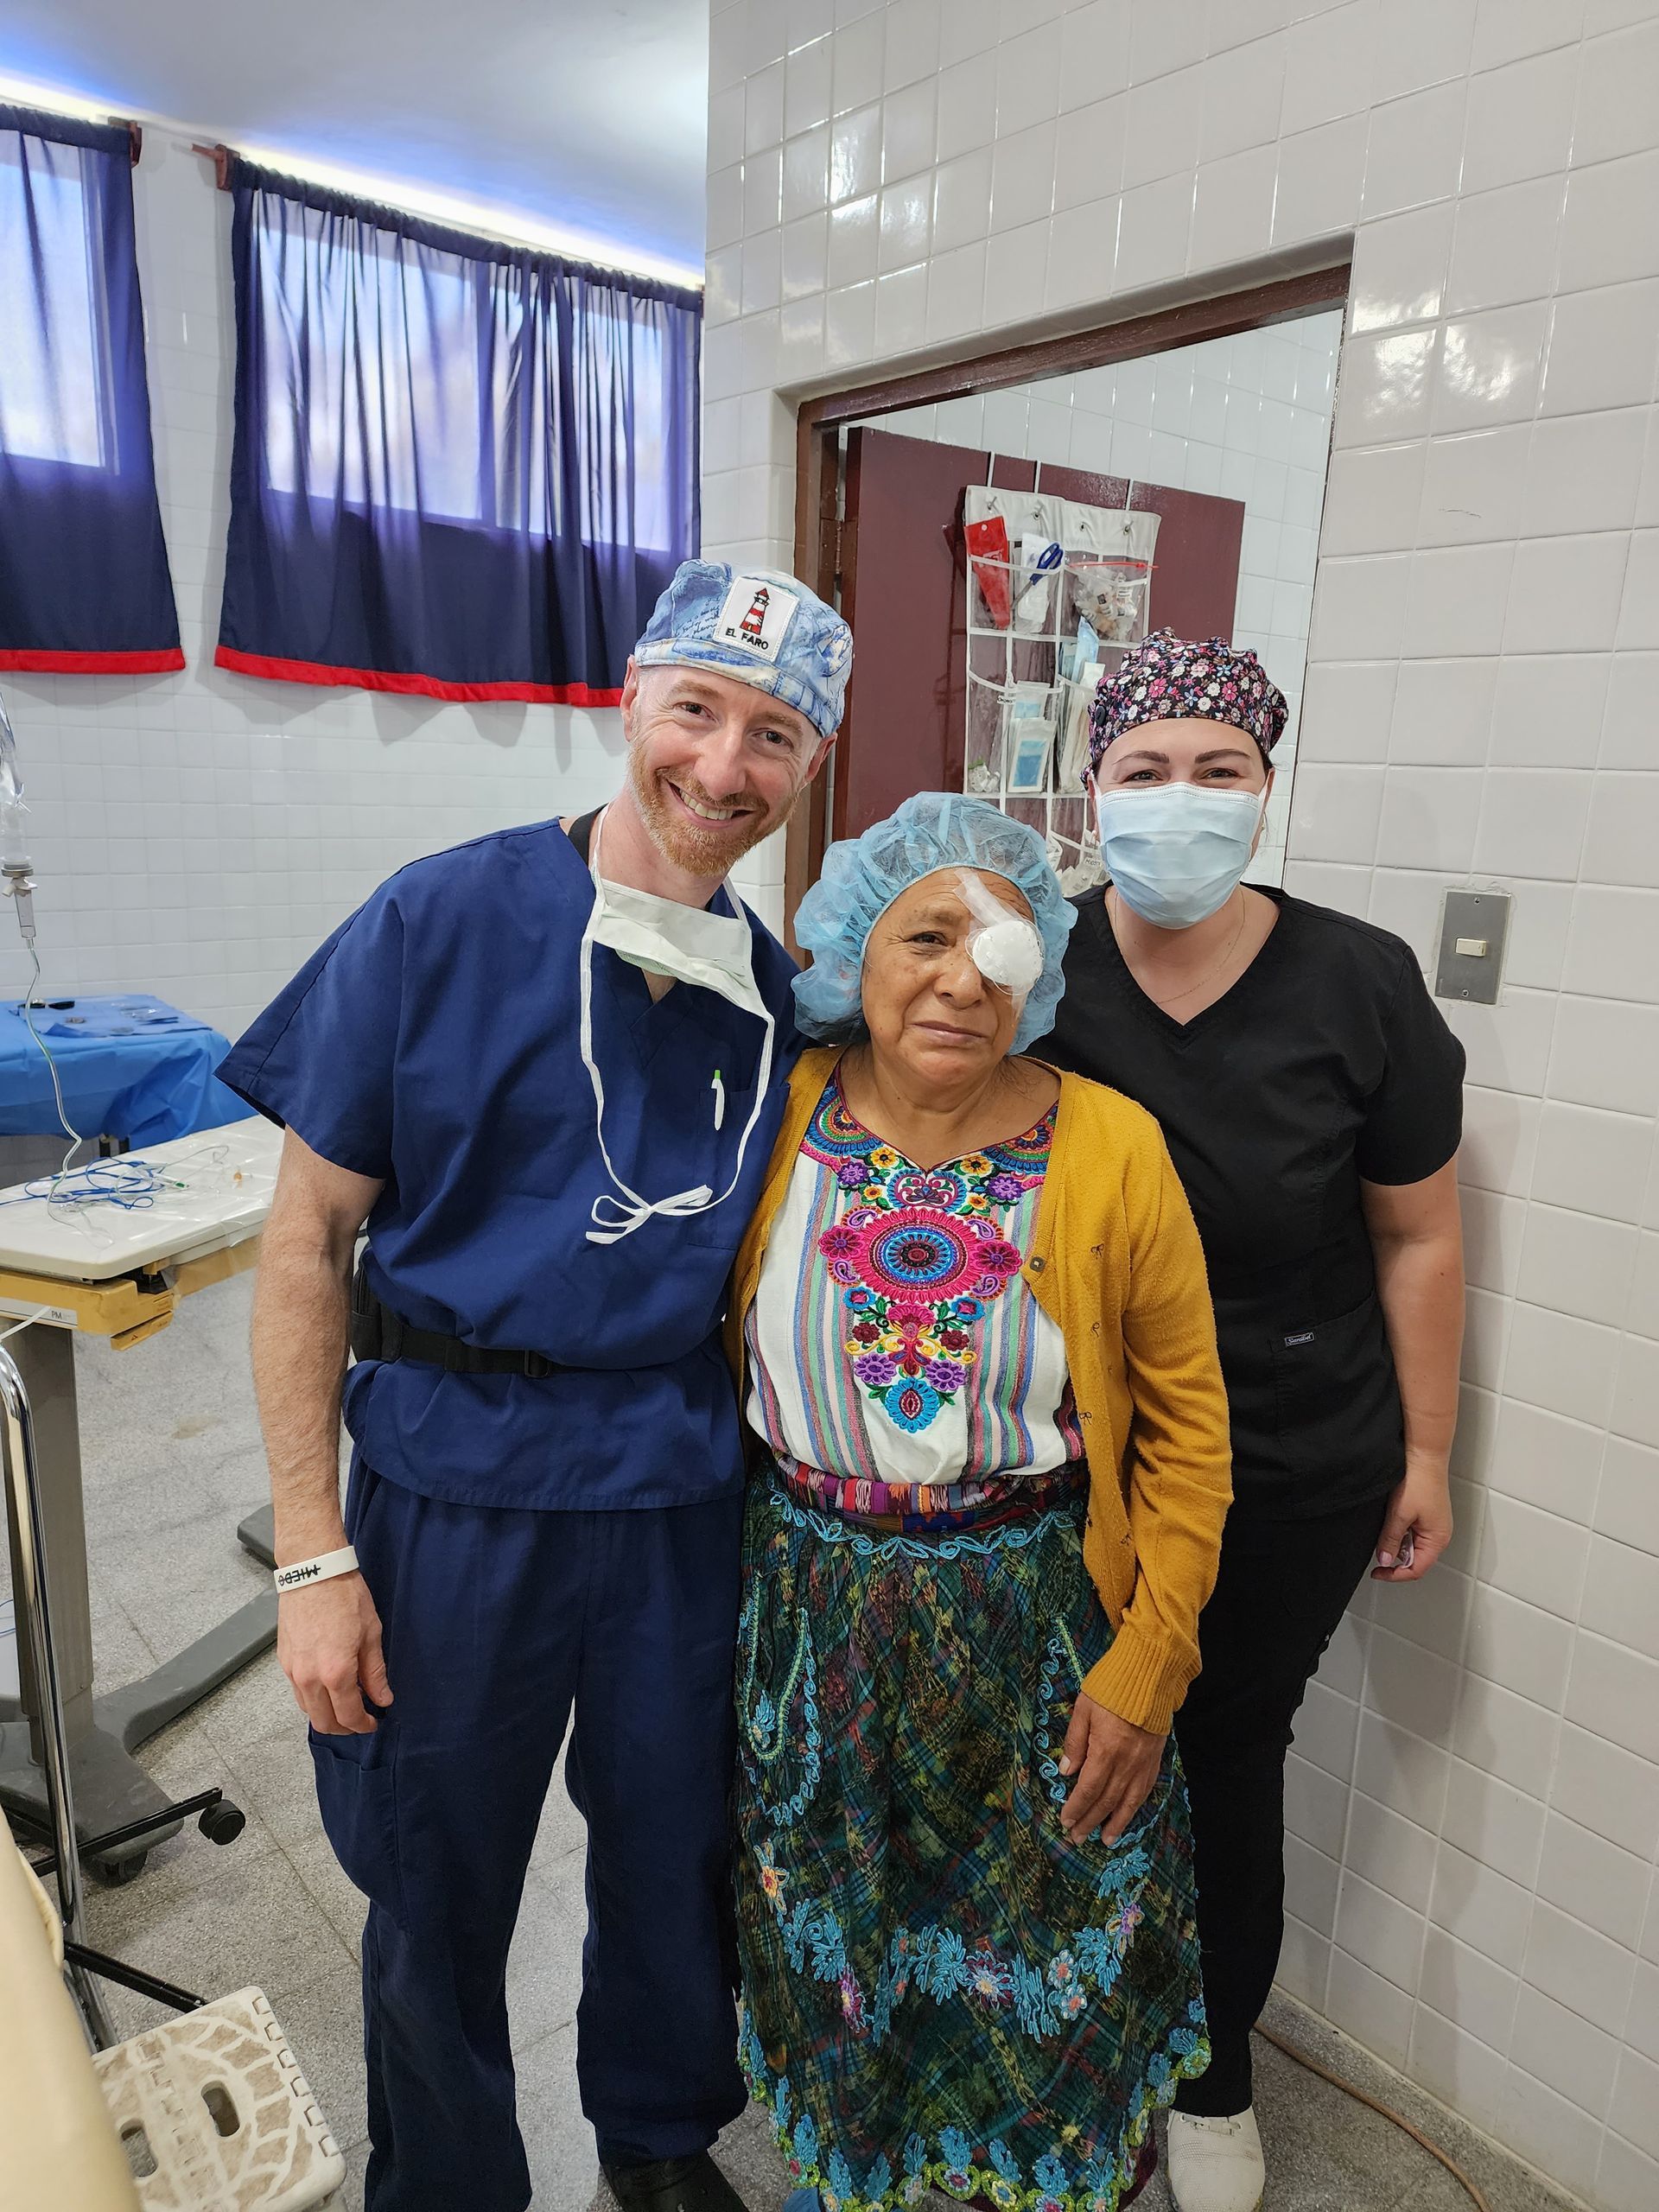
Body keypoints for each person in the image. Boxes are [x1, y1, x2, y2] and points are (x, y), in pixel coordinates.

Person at [219, 561, 852, 2212]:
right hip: (453, 1484)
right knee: (436, 1874)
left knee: (671, 1846)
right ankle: (444, 2181)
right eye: (698, 711)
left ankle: (652, 2139)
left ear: (810, 769)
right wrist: (310, 1549)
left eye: (775, 735)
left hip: (672, 1493)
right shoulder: (442, 920)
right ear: (629, 699)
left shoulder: (774, 996)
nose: (724, 768)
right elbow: (305, 1246)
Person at [724, 793, 1235, 2212]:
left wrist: (1149, 1665)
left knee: (1053, 1945)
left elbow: (1189, 1436)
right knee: (843, 1939)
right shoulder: (780, 1116)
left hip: (1043, 1620)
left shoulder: (1114, 1147)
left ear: (1039, 973)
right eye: (923, 935)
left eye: (997, 944)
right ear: (851, 954)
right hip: (810, 1621)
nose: (962, 974)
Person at [1046, 631, 1466, 2212]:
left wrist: (1425, 1450)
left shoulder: (1356, 980)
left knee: (1223, 1749)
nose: (1181, 802)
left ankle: (1213, 2073)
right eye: (1144, 771)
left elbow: (1417, 1236)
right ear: (1093, 789)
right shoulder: (1033, 963)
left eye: (1217, 774)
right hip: (1071, 1449)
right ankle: (1063, 2037)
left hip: (1295, 1449)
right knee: (1067, 1742)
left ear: (1265, 791)